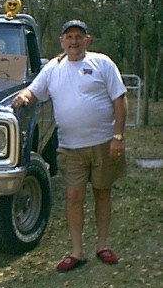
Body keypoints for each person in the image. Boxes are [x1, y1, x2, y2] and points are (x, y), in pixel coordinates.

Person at [12, 20, 127, 272]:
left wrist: (118, 136)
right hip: (70, 147)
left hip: (104, 143)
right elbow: (34, 92)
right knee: (74, 196)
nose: (74, 41)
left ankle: (103, 245)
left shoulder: (103, 63)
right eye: (69, 37)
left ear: (88, 40)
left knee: (102, 192)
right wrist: (24, 96)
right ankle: (77, 251)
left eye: (79, 37)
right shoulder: (53, 68)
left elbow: (120, 100)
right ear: (61, 40)